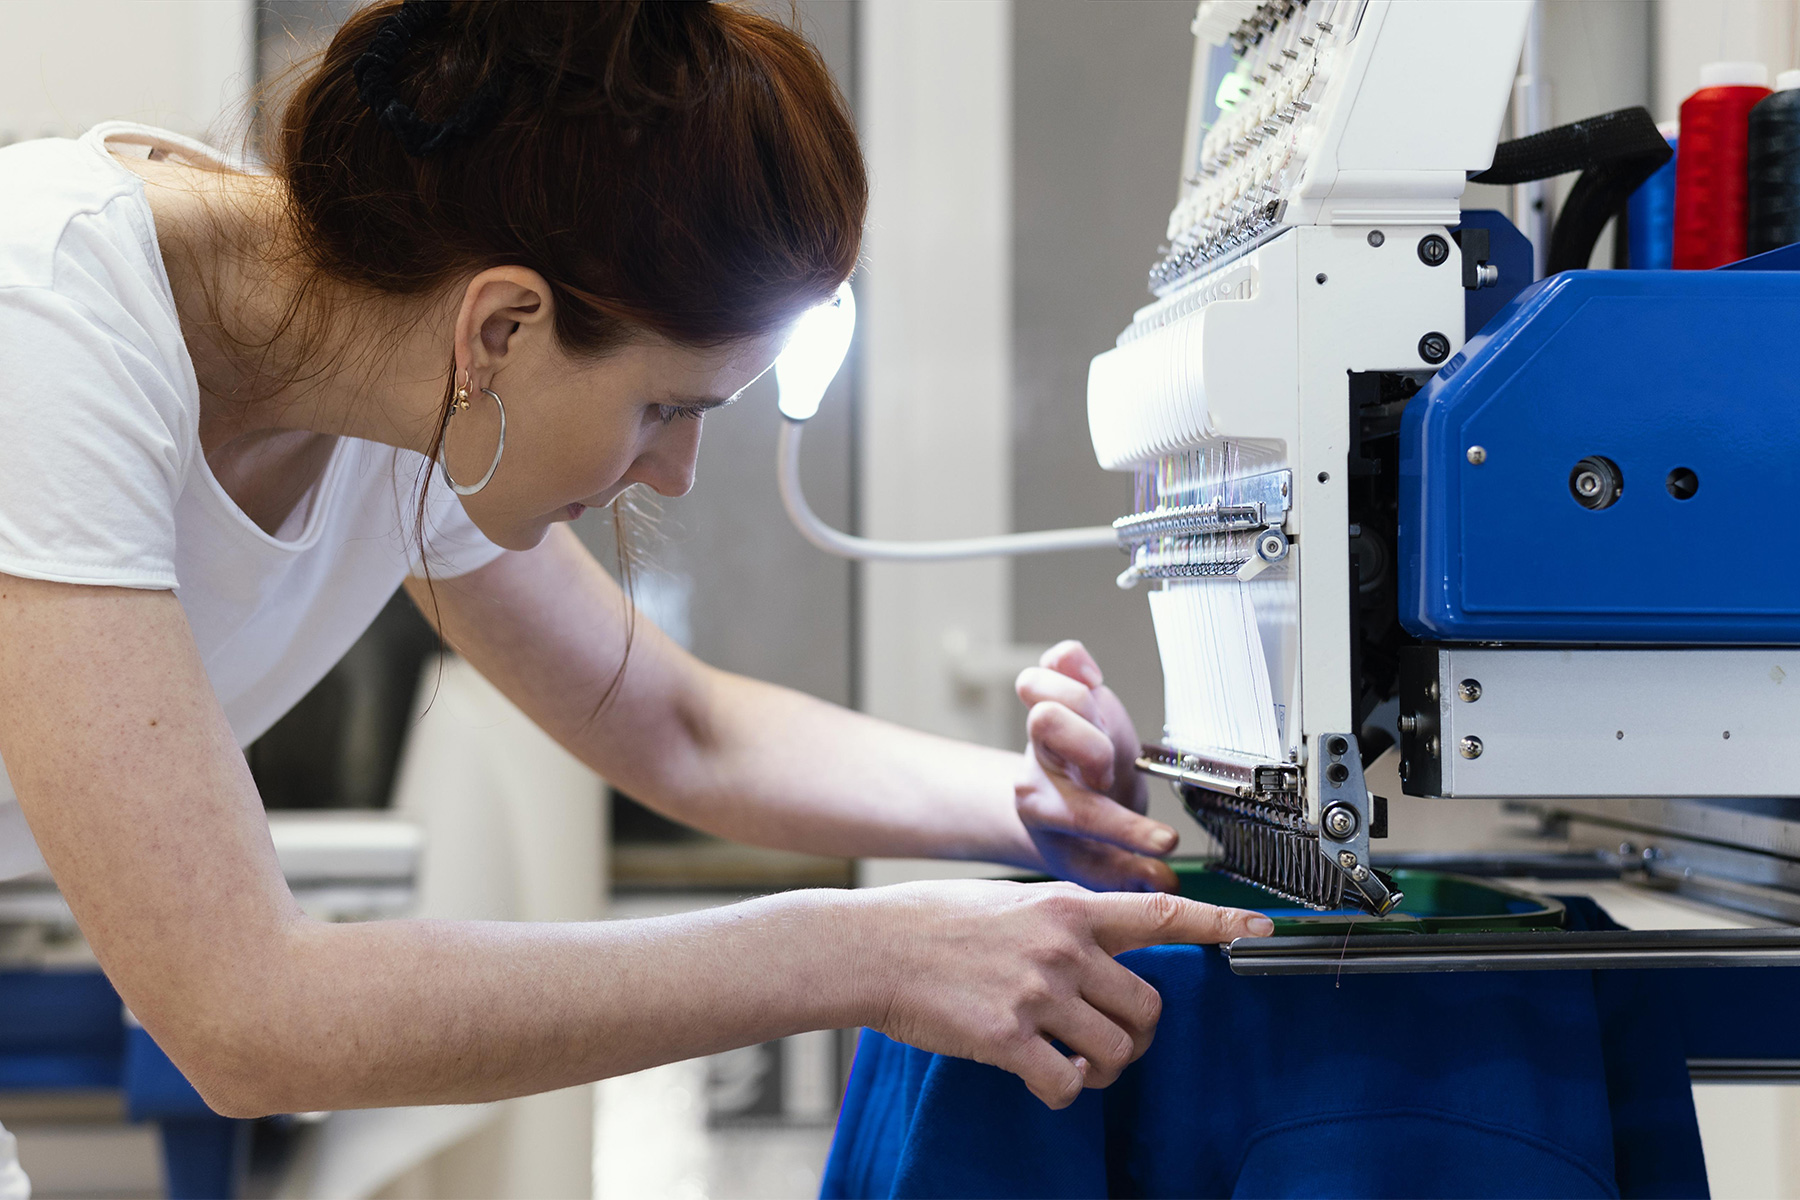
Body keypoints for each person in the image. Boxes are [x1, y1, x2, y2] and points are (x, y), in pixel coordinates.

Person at [0, 0, 1270, 1169]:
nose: (674, 472)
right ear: (501, 327)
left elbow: (679, 727)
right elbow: (246, 1019)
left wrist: (1033, 810)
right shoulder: (47, 321)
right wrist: (868, 949)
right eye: (665, 405)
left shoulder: (392, 371)